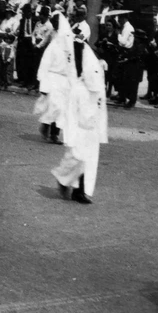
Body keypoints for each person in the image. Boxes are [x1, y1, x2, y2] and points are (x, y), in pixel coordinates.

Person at [52, 34, 108, 204]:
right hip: (78, 131)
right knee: (74, 160)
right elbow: (70, 114)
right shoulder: (78, 89)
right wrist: (69, 136)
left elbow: (101, 111)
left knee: (89, 163)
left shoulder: (98, 90)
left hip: (91, 132)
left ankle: (80, 192)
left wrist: (101, 132)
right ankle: (62, 178)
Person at [35, 12, 76, 144]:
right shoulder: (54, 46)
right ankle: (46, 127)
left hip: (64, 81)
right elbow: (45, 64)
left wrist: (73, 81)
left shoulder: (69, 49)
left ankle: (55, 134)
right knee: (54, 106)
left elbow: (72, 65)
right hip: (53, 79)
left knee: (62, 109)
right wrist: (43, 81)